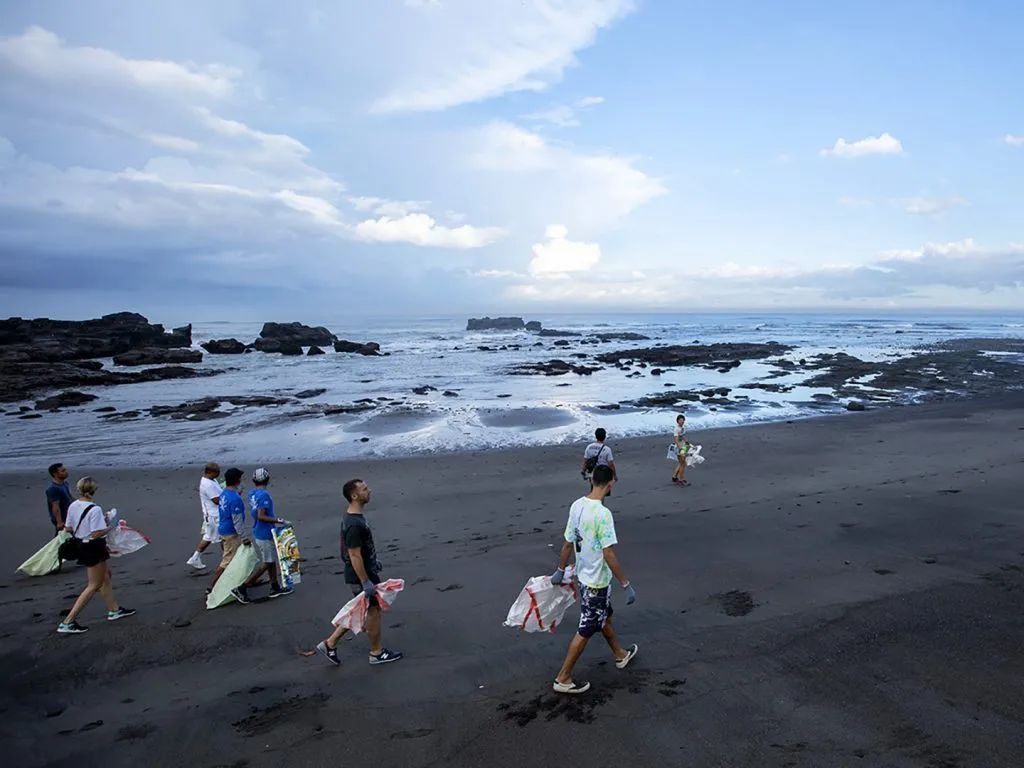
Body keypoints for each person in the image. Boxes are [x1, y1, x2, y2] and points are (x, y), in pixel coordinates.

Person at [549, 464, 638, 694]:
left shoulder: (577, 505)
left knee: (604, 616)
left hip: (583, 575)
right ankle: (563, 677)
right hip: (596, 581)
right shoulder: (603, 514)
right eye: (613, 483)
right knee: (587, 627)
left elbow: (568, 542)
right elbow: (608, 553)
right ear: (610, 484)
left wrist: (560, 569)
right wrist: (625, 583)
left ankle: (620, 655)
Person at [315, 479, 403, 666]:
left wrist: (373, 561)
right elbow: (353, 554)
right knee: (373, 611)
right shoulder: (354, 524)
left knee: (361, 608)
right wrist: (365, 582)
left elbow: (360, 550)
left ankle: (330, 644)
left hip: (365, 571)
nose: (369, 491)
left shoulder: (355, 518)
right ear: (354, 496)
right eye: (364, 489)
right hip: (360, 575)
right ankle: (376, 653)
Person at [57, 477, 136, 634]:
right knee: (94, 584)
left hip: (81, 544)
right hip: (93, 546)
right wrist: (111, 525)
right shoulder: (95, 509)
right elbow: (96, 533)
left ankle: (114, 610)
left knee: (105, 576)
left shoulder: (73, 505)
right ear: (93, 490)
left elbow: (68, 527)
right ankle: (68, 621)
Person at [231, 468, 292, 603]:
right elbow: (261, 516)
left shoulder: (252, 493)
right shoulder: (264, 495)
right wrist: (279, 520)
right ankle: (242, 588)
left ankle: (274, 586)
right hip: (264, 532)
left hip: (260, 531)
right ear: (267, 480)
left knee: (271, 560)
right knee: (268, 562)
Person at [207, 468, 249, 592]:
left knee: (233, 559)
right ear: (237, 480)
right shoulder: (235, 499)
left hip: (223, 529)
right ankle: (212, 587)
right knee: (227, 560)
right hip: (231, 533)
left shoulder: (224, 493)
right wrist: (244, 537)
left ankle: (235, 582)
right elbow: (237, 521)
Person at [186, 462, 222, 570]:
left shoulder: (212, 480)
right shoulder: (208, 484)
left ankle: (195, 557)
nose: (218, 474)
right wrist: (229, 498)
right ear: (210, 472)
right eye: (217, 472)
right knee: (223, 538)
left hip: (212, 515)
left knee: (208, 537)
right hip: (214, 516)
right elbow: (216, 500)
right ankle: (227, 561)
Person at [45, 462, 73, 535]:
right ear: (55, 474)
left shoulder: (65, 483)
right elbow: (55, 506)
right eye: (63, 471)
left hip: (68, 516)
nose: (66, 472)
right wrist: (59, 522)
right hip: (62, 518)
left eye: (65, 470)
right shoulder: (53, 489)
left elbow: (69, 498)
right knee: (61, 539)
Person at [672, 414, 692, 486]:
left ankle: (674, 477)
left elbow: (681, 435)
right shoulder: (676, 429)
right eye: (680, 420)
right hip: (679, 447)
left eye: (683, 420)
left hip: (683, 446)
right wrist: (679, 448)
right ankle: (681, 479)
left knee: (681, 463)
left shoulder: (682, 427)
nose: (682, 421)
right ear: (677, 421)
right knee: (683, 463)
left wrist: (686, 442)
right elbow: (676, 439)